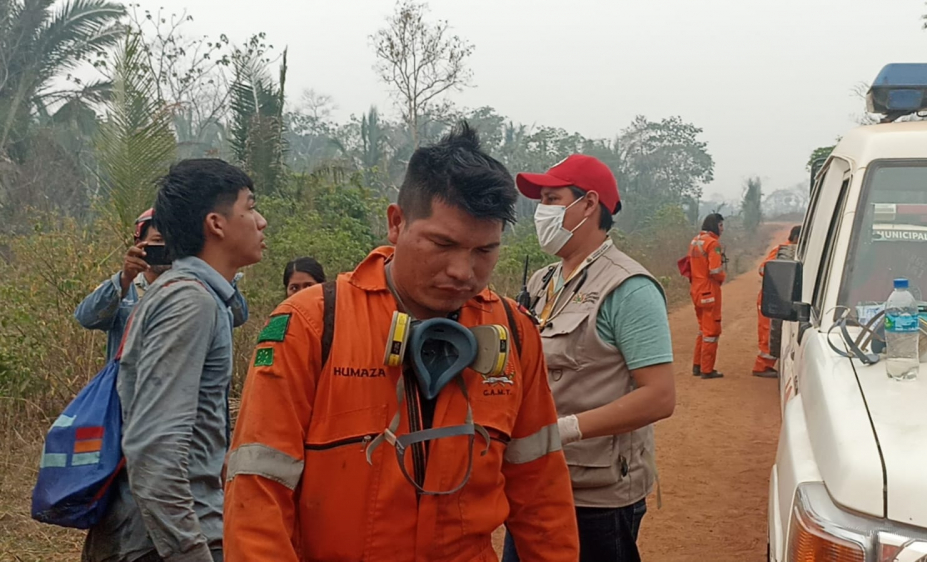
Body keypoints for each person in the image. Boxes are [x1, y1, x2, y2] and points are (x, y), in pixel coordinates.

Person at [223, 123, 578, 562]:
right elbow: (258, 495)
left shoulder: (514, 332)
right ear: (396, 222)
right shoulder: (311, 325)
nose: (463, 272)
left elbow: (542, 493)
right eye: (442, 244)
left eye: (484, 251)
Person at [82, 159, 267, 562]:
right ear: (216, 223)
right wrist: (190, 551)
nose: (261, 221)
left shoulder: (195, 296)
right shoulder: (190, 302)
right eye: (250, 207)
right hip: (162, 543)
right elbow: (155, 446)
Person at [505, 154, 677, 562]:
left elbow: (659, 397)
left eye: (552, 199)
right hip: (537, 478)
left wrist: (566, 429)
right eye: (540, 201)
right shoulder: (543, 282)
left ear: (587, 205)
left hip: (596, 496)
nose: (541, 212)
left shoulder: (629, 289)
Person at [75, 210, 249, 362]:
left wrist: (221, 271)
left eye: (172, 242)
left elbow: (238, 316)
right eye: (157, 240)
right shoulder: (124, 290)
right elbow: (86, 318)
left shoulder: (200, 287)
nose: (165, 248)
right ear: (139, 245)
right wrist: (125, 278)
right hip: (131, 395)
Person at [753, 225, 800, 378]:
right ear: (797, 238)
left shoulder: (796, 252)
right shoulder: (782, 250)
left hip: (779, 297)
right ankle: (761, 367)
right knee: (768, 333)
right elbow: (763, 269)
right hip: (771, 297)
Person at [689, 213, 727, 380]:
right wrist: (722, 278)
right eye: (721, 225)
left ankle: (697, 366)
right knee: (711, 331)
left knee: (702, 330)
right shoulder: (713, 244)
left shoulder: (695, 241)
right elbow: (715, 270)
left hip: (696, 289)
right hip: (709, 290)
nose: (722, 229)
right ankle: (707, 369)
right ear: (715, 225)